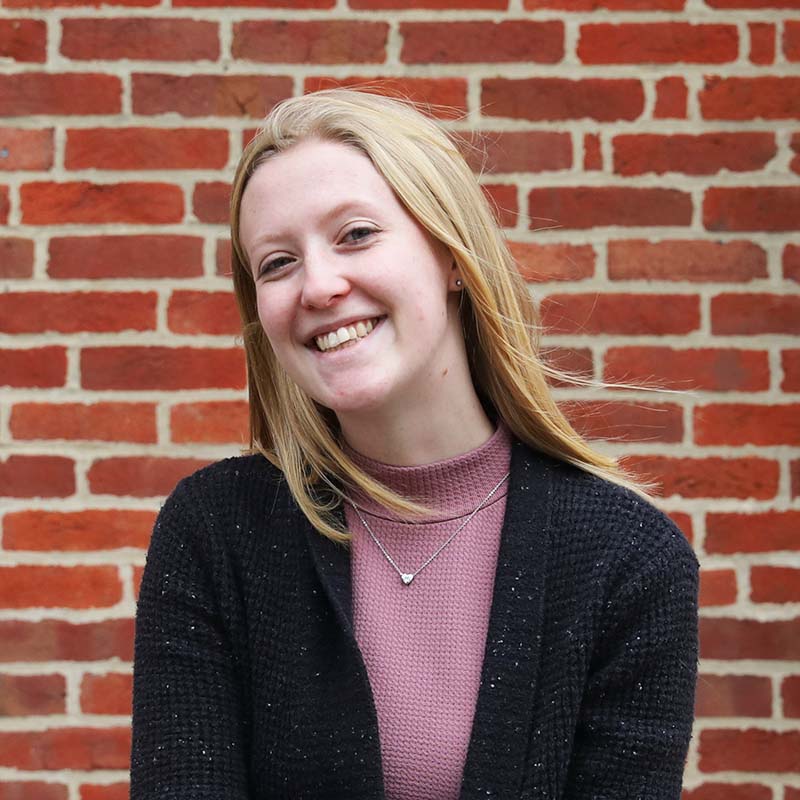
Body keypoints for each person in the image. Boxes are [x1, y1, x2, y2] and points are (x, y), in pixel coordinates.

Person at [130, 88, 699, 800]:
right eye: (276, 263)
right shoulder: (217, 532)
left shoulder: (627, 561)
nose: (320, 285)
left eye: (356, 234)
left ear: (453, 256)